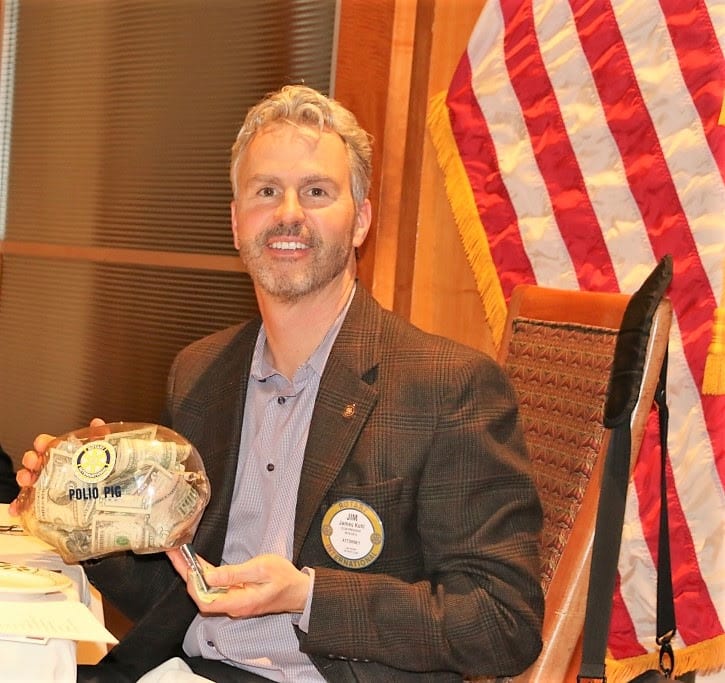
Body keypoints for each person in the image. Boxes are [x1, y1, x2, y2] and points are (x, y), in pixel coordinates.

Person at [12, 85, 544, 682]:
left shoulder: (448, 387)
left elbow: (503, 623)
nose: (289, 213)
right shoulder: (201, 371)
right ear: (236, 222)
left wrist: (308, 596)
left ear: (361, 220)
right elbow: (175, 600)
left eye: (316, 191)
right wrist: (86, 513)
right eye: (266, 191)